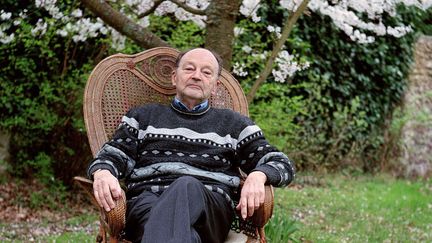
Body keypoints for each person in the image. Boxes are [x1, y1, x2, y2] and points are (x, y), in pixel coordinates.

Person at [87, 48, 295, 243]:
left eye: (206, 72)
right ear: (174, 78)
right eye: (189, 69)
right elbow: (113, 155)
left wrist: (258, 175)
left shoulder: (235, 125)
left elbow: (281, 163)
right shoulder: (142, 117)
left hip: (211, 210)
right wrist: (103, 171)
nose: (196, 76)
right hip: (148, 203)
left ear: (214, 86)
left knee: (186, 185)